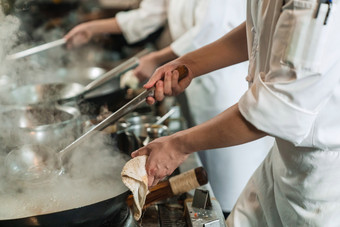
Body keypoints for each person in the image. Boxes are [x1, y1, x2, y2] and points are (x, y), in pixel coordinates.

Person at [131, 0, 340, 226]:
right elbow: (260, 28)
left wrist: (177, 145)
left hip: (321, 179)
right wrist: (189, 64)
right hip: (282, 161)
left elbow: (278, 109)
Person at [64, 0, 273, 216]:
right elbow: (152, 12)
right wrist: (186, 64)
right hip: (197, 86)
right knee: (212, 183)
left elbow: (214, 28)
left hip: (226, 92)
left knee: (231, 184)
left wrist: (178, 145)